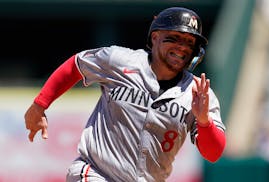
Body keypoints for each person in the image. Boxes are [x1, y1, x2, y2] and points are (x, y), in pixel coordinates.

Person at [24, 7, 226, 182]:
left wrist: (204, 121)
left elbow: (214, 153)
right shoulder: (120, 61)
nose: (182, 47)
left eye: (189, 42)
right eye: (174, 37)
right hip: (96, 173)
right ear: (155, 37)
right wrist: (40, 104)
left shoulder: (199, 94)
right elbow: (76, 65)